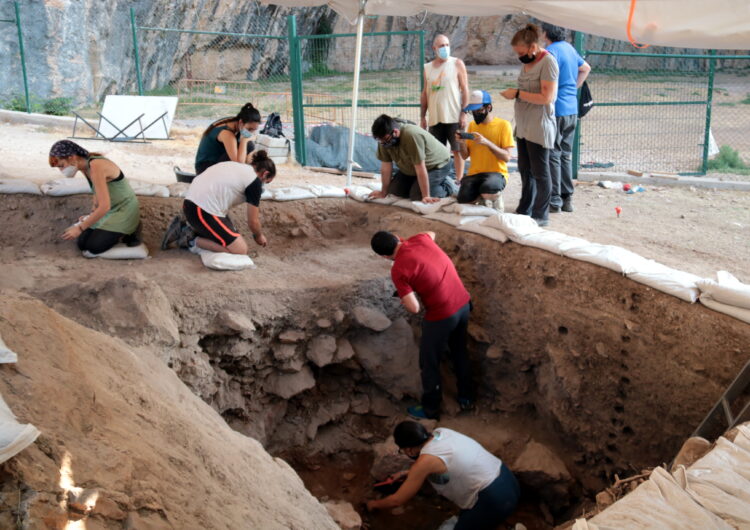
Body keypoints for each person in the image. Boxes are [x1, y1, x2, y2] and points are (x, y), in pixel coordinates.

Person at [370, 230, 472, 419]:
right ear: (397, 237)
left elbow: (414, 308)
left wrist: (404, 297)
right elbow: (432, 233)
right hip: (464, 304)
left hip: (442, 315)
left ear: (384, 256)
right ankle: (466, 396)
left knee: (429, 362)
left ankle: (430, 409)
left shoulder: (398, 269)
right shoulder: (420, 239)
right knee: (460, 352)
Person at [367, 421, 520, 530]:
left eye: (402, 450)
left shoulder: (424, 462)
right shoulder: (441, 432)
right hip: (509, 481)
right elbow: (448, 461)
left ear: (410, 450)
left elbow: (397, 500)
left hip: (495, 500)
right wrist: (408, 473)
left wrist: (373, 504)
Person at [500, 23, 559, 227]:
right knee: (525, 169)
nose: (520, 56)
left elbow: (546, 97)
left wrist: (516, 93)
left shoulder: (548, 63)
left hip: (539, 126)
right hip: (524, 126)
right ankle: (525, 207)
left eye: (522, 52)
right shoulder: (527, 63)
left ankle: (540, 214)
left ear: (533, 47)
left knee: (541, 173)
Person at [161, 151, 276, 254]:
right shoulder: (254, 182)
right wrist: (258, 236)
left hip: (192, 204)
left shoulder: (238, 167)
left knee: (228, 235)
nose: (263, 185)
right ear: (265, 174)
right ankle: (188, 239)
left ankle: (191, 227)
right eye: (267, 181)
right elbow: (253, 222)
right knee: (240, 250)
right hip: (201, 210)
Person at [48, 140, 140, 255]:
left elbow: (104, 206)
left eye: (61, 166)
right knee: (82, 243)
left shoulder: (96, 165)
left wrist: (80, 228)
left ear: (72, 157)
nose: (62, 170)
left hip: (124, 210)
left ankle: (129, 232)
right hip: (111, 210)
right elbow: (97, 193)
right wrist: (91, 215)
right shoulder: (84, 167)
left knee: (94, 246)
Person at [542, 23, 591, 214]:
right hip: (571, 109)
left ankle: (554, 200)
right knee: (565, 155)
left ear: (545, 34)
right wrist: (574, 88)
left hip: (557, 110)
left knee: (553, 154)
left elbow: (547, 80)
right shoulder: (570, 49)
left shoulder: (550, 52)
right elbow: (586, 68)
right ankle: (567, 198)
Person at [368, 115, 455, 204]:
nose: (384, 143)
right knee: (395, 191)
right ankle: (420, 183)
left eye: (386, 140)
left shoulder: (411, 135)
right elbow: (386, 167)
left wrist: (426, 196)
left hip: (437, 165)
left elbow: (420, 167)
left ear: (395, 132)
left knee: (417, 196)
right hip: (411, 168)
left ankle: (448, 185)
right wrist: (383, 192)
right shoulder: (383, 140)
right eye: (381, 140)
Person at [455, 90, 515, 211]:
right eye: (473, 111)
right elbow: (465, 156)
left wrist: (487, 142)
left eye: (479, 110)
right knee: (463, 199)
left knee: (488, 188)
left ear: (489, 107)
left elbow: (507, 157)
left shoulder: (504, 125)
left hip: (496, 173)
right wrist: (461, 144)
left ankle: (493, 198)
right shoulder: (472, 125)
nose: (476, 114)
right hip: (475, 174)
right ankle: (482, 197)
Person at [421, 34, 470, 181]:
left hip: (453, 115)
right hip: (435, 118)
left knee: (457, 150)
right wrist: (422, 116)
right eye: (441, 45)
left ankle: (459, 180)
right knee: (437, 152)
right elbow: (425, 93)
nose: (445, 48)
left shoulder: (457, 63)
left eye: (447, 45)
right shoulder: (427, 68)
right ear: (434, 48)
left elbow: (465, 89)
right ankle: (440, 180)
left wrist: (464, 113)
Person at [194, 103, 262, 175]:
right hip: (204, 169)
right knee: (247, 146)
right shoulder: (227, 134)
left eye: (254, 129)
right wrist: (244, 140)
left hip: (215, 161)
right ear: (241, 122)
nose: (251, 132)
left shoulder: (233, 121)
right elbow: (239, 163)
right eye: (249, 129)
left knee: (249, 146)